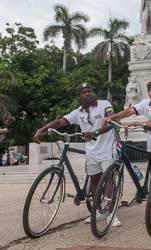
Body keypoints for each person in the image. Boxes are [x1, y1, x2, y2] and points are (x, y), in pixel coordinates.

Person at [32, 83, 121, 227]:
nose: (87, 93)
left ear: (93, 92)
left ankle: (112, 214)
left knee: (110, 181)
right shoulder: (78, 112)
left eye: (89, 91)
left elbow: (111, 122)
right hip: (92, 151)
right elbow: (61, 121)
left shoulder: (104, 104)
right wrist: (41, 130)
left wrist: (95, 132)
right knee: (94, 180)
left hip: (107, 149)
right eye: (84, 92)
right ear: (80, 96)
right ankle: (98, 211)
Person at [101, 80, 151, 223]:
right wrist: (112, 117)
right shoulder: (146, 103)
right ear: (148, 92)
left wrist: (135, 123)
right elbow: (130, 110)